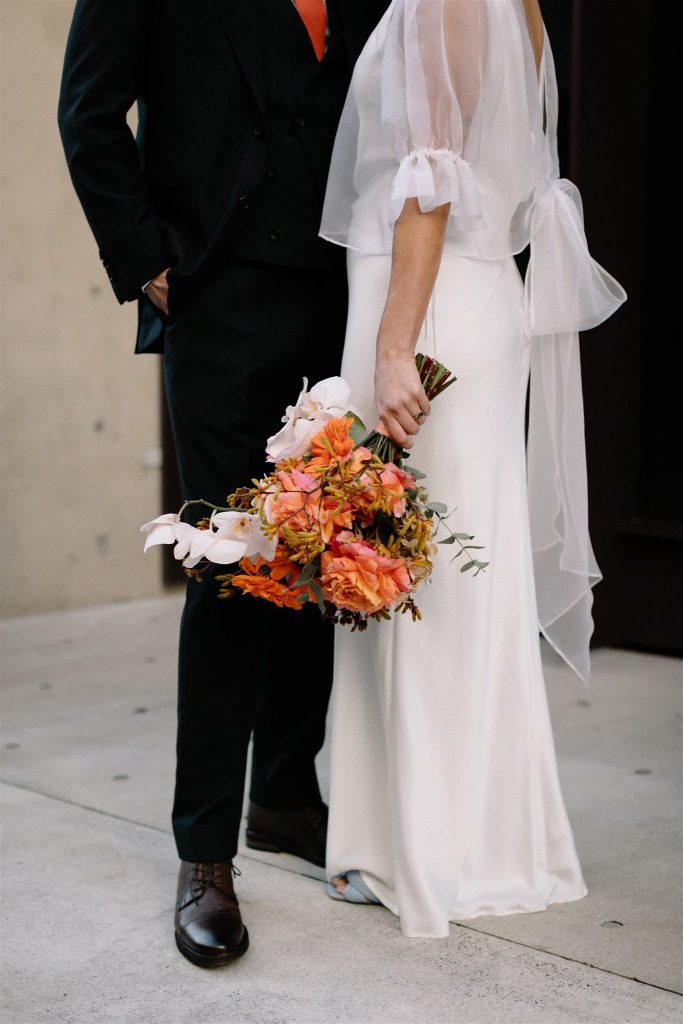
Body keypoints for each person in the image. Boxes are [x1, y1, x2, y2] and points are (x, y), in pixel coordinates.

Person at [58, 0, 388, 966]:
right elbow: (88, 112)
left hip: (345, 295)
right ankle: (204, 851)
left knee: (324, 550)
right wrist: (148, 262)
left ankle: (284, 796)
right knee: (230, 563)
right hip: (216, 292)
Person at [319, 0, 626, 936]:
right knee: (447, 580)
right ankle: (470, 839)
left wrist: (394, 348)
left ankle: (427, 852)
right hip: (469, 299)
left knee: (413, 582)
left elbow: (431, 183)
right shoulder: (516, 6)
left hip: (429, 311)